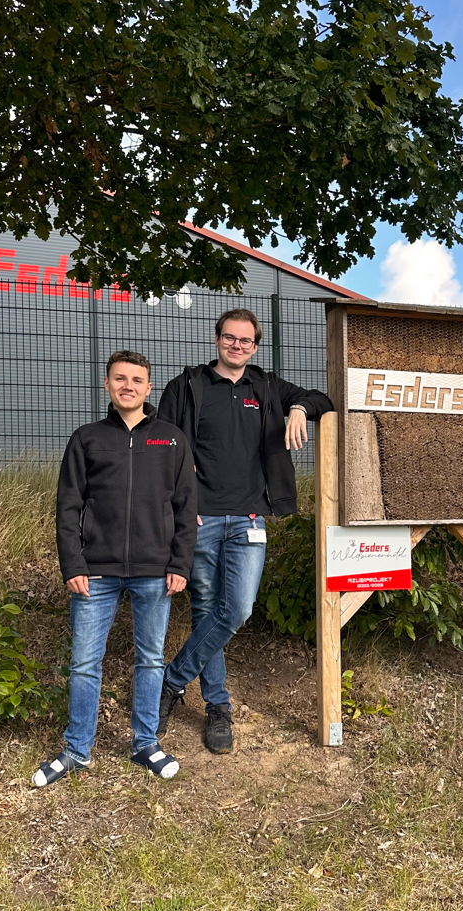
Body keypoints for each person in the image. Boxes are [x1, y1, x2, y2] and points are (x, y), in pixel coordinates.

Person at [156, 307, 333, 754]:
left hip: (250, 518)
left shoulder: (267, 387)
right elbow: (164, 445)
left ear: (255, 345)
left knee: (236, 610)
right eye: (230, 338)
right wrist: (183, 504)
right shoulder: (189, 386)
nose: (238, 346)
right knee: (206, 610)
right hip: (200, 517)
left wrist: (296, 408)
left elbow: (323, 400)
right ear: (217, 339)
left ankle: (171, 681)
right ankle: (218, 708)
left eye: (246, 341)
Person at [35, 350, 197, 787]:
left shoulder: (172, 439)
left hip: (155, 571)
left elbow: (185, 508)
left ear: (148, 387)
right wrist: (73, 562)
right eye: (119, 378)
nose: (128, 385)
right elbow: (67, 507)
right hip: (96, 573)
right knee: (85, 663)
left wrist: (180, 562)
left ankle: (145, 743)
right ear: (106, 385)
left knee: (150, 661)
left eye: (137, 379)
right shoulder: (87, 438)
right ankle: (77, 750)